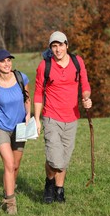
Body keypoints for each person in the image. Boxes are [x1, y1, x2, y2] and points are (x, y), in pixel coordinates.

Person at [34, 31, 92, 204]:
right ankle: (49, 183)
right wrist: (36, 119)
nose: (58, 49)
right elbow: (38, 93)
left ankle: (59, 190)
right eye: (54, 46)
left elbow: (85, 84)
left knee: (64, 158)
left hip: (72, 118)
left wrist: (86, 97)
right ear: (51, 48)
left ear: (67, 45)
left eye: (60, 45)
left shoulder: (77, 61)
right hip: (51, 117)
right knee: (55, 159)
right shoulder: (45, 66)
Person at [0, 49, 31, 215]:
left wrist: (28, 116)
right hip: (0, 128)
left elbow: (27, 98)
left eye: (9, 60)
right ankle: (10, 203)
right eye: (3, 61)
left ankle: (8, 189)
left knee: (15, 166)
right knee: (9, 164)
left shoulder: (21, 77)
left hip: (20, 128)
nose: (7, 64)